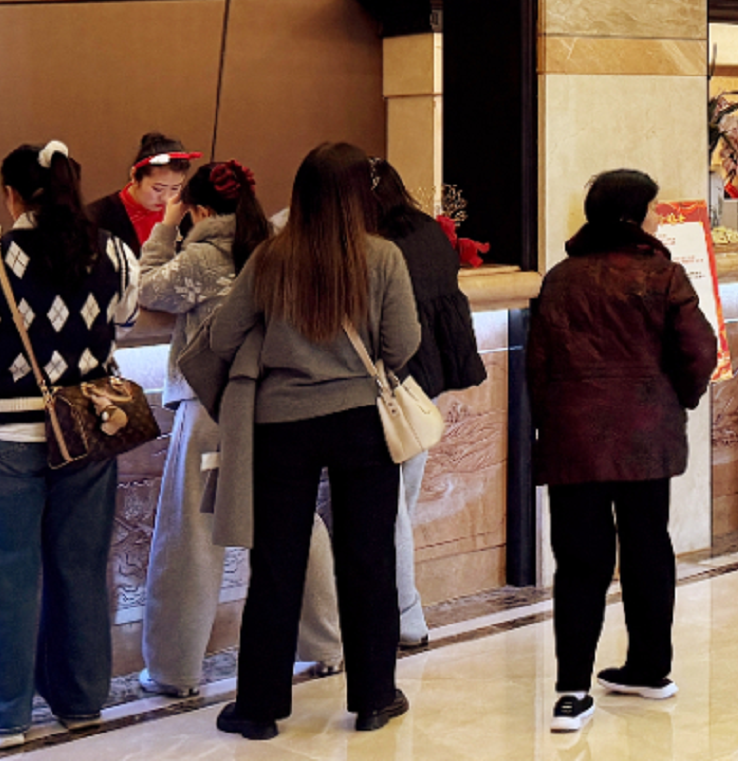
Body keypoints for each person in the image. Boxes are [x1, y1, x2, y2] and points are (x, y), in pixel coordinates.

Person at [200, 142, 418, 739]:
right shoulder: (383, 257)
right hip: (361, 422)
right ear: (359, 195)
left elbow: (221, 335)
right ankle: (374, 698)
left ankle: (259, 708)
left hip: (281, 425)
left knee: (276, 565)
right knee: (368, 558)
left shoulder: (270, 258)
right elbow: (403, 344)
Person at [137, 159, 344, 700]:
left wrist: (165, 227)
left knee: (191, 533)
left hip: (210, 406)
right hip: (276, 401)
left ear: (200, 210)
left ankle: (175, 669)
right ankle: (325, 645)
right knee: (295, 521)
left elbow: (147, 290)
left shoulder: (203, 257)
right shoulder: (277, 248)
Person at [529, 170, 717, 734]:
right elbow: (698, 351)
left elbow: (538, 365)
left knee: (579, 560)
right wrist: (675, 399)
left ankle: (572, 691)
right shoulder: (662, 275)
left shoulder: (560, 279)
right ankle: (650, 669)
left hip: (576, 438)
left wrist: (552, 422)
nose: (660, 217)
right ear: (634, 215)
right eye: (654, 209)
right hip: (645, 436)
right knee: (647, 546)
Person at [0, 143, 139, 752]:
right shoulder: (113, 251)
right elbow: (127, 315)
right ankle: (80, 703)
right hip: (86, 431)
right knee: (80, 569)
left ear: (13, 196)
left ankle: (5, 713)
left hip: (6, 436)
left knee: (8, 575)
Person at [370, 161, 487, 653]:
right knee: (401, 501)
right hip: (425, 385)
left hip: (389, 384)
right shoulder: (428, 232)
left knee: (387, 506)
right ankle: (403, 612)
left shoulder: (376, 247)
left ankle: (400, 612)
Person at [88, 132, 198, 256]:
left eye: (175, 188)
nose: (166, 198)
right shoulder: (99, 217)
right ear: (135, 176)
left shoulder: (184, 214)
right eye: (158, 189)